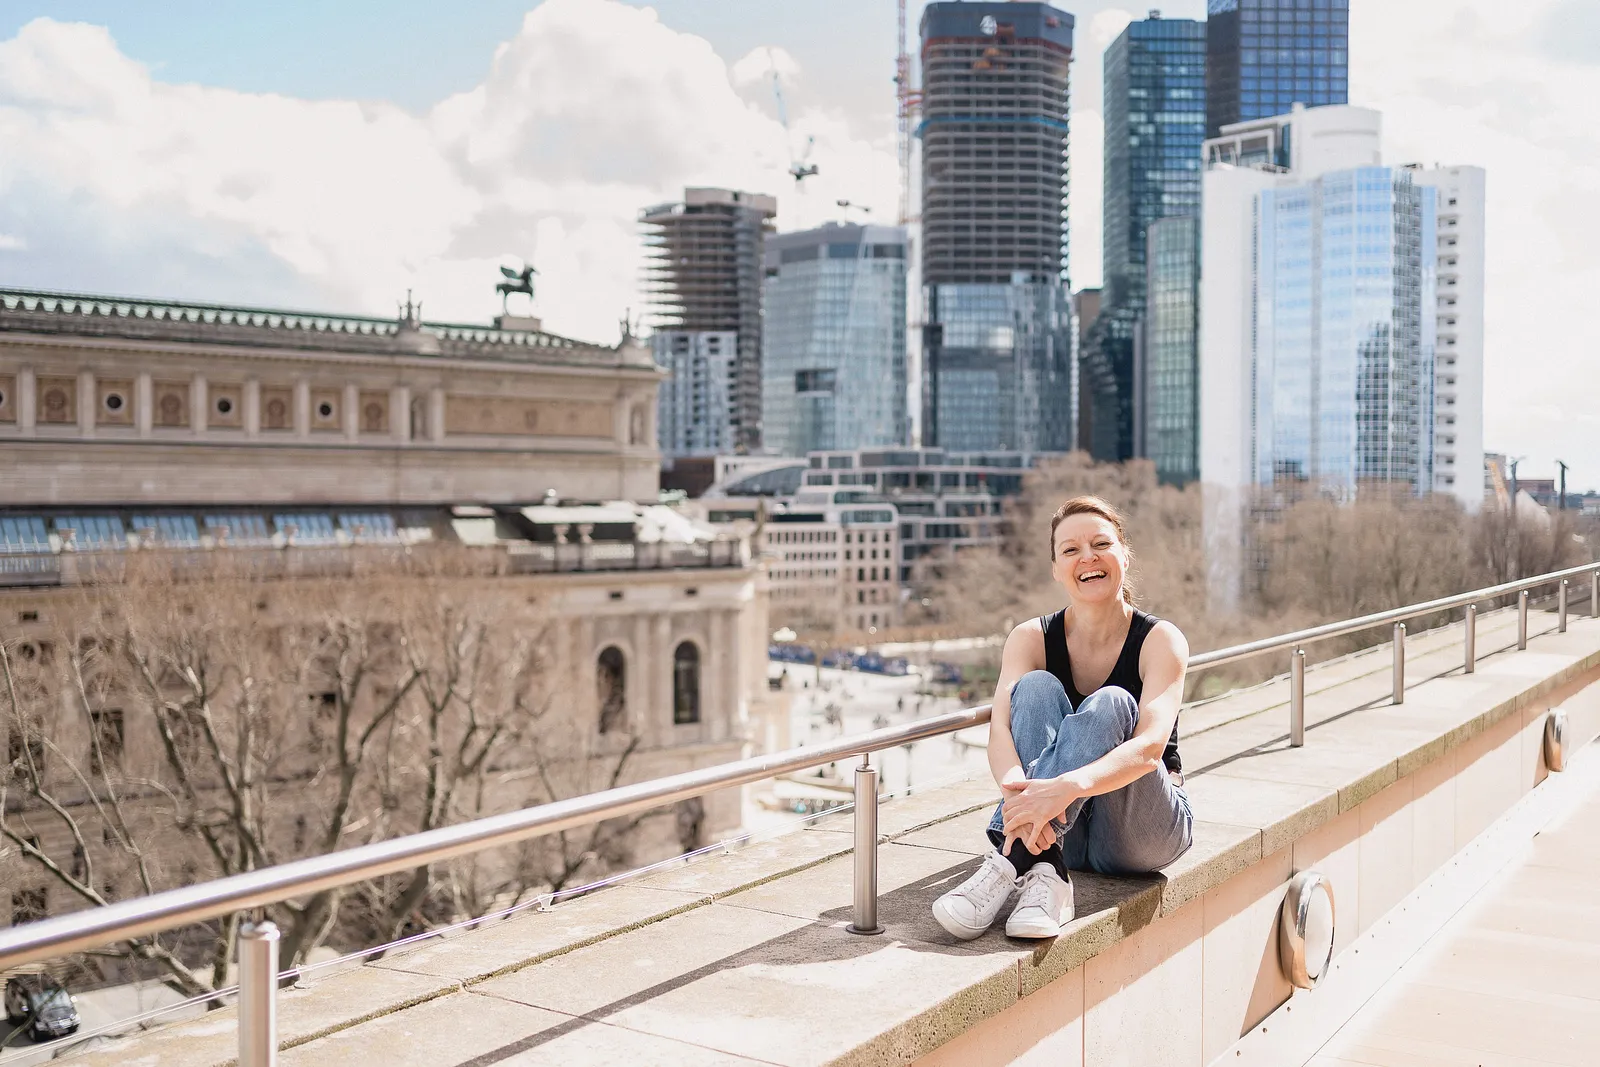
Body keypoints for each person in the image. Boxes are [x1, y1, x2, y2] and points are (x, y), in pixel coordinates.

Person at [931, 496, 1194, 940]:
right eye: (1071, 550)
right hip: (1064, 835)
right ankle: (1048, 873)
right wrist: (1020, 797)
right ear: (1056, 568)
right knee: (1033, 687)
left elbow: (1150, 748)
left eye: (1101, 544)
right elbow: (1000, 732)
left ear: (1124, 555)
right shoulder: (1030, 638)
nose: (1087, 557)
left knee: (1112, 703)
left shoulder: (1160, 639)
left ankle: (1010, 857)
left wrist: (1066, 787)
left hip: (1142, 832)